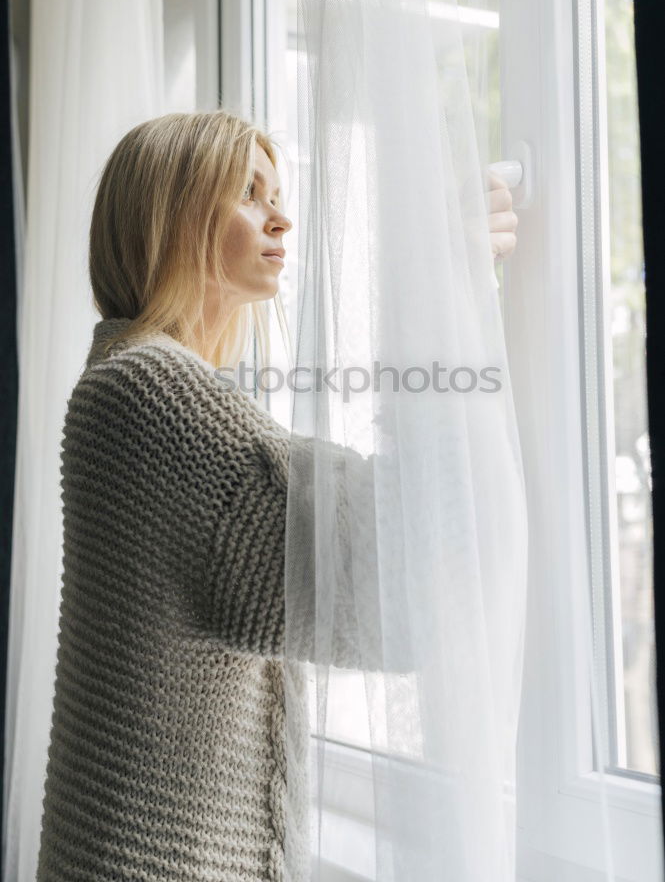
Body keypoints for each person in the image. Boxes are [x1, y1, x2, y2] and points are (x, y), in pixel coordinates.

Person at [34, 109, 518, 882]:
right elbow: (407, 595)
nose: (282, 217)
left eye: (277, 192)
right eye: (248, 193)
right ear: (171, 214)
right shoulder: (150, 393)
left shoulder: (126, 381)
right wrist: (441, 285)